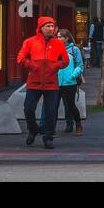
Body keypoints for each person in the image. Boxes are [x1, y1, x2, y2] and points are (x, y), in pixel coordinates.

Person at [16, 16, 69, 149]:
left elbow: (65, 61)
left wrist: (55, 66)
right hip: (34, 81)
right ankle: (33, 129)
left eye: (52, 26)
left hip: (51, 82)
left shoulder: (59, 43)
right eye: (48, 26)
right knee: (28, 109)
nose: (51, 28)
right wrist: (32, 66)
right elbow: (20, 58)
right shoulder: (30, 42)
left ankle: (48, 137)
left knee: (51, 111)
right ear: (41, 28)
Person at [56, 28, 84, 136]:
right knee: (54, 106)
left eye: (60, 37)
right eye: (57, 36)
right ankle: (51, 129)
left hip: (70, 83)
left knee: (71, 105)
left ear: (66, 38)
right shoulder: (54, 49)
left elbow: (80, 66)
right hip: (56, 83)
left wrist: (73, 76)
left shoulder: (74, 50)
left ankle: (78, 124)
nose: (58, 38)